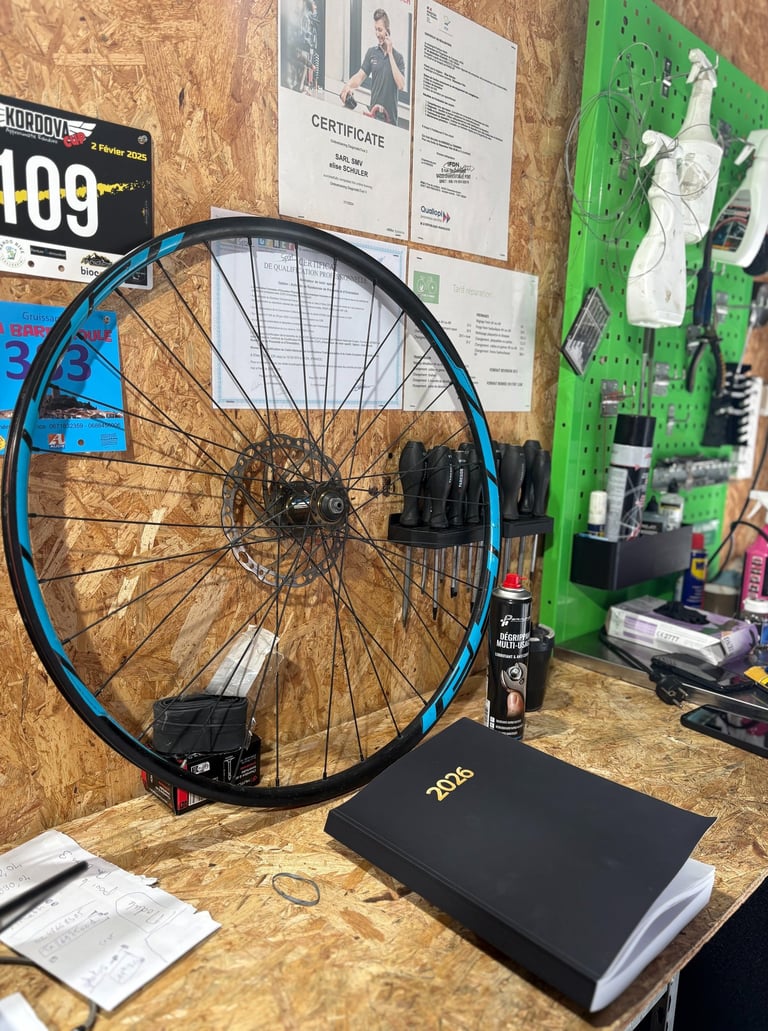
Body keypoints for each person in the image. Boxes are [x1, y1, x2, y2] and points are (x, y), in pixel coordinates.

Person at [340, 8, 405, 127]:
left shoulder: (398, 58)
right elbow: (359, 77)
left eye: (380, 30)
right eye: (375, 29)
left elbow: (401, 85)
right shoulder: (371, 53)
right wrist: (348, 85)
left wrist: (390, 53)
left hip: (390, 121)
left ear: (387, 31)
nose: (377, 34)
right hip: (373, 116)